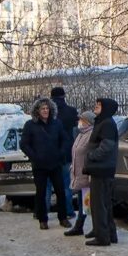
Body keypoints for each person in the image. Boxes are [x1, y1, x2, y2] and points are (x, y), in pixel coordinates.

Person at [20, 97, 71, 231]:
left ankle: (63, 217)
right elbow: (24, 144)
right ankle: (43, 219)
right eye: (43, 108)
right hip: (39, 165)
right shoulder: (30, 125)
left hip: (55, 164)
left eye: (47, 108)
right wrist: (34, 156)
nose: (45, 111)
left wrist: (61, 153)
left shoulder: (56, 124)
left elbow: (65, 140)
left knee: (60, 191)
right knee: (41, 193)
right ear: (37, 111)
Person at [82, 97, 120, 246]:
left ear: (106, 108)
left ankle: (102, 237)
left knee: (99, 205)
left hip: (101, 168)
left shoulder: (107, 124)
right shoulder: (103, 121)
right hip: (102, 168)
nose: (96, 106)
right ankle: (109, 234)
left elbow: (106, 147)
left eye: (99, 105)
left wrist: (91, 156)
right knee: (104, 204)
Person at [49, 86, 78, 223]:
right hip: (66, 152)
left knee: (46, 185)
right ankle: (68, 211)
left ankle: (42, 211)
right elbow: (75, 130)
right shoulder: (71, 112)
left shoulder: (48, 112)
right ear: (64, 96)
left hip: (49, 153)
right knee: (66, 184)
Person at [65, 110, 96, 237]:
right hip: (78, 173)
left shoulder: (91, 134)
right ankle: (79, 226)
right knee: (82, 201)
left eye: (81, 120)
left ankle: (93, 227)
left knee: (88, 202)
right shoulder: (81, 134)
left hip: (86, 173)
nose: (79, 122)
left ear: (88, 122)